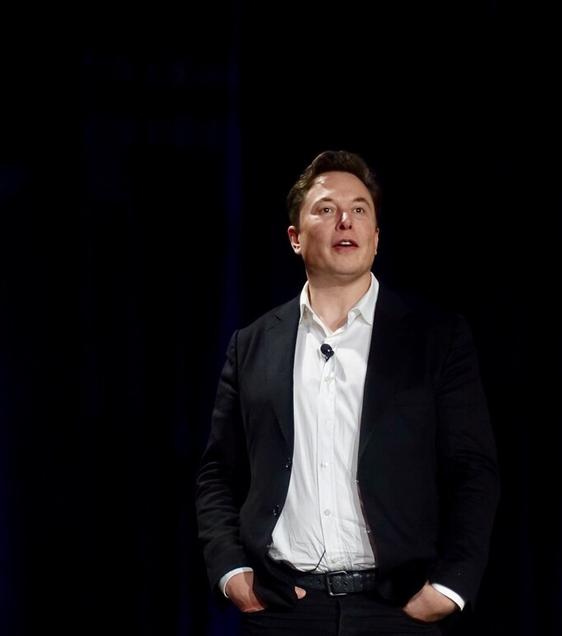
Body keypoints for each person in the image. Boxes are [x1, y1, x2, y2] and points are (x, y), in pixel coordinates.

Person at [195, 150, 500, 635]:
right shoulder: (252, 343)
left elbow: (473, 469)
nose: (345, 221)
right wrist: (231, 572)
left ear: (376, 238)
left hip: (397, 607)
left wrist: (451, 585)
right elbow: (218, 472)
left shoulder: (434, 337)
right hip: (284, 609)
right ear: (295, 237)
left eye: (360, 209)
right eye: (326, 208)